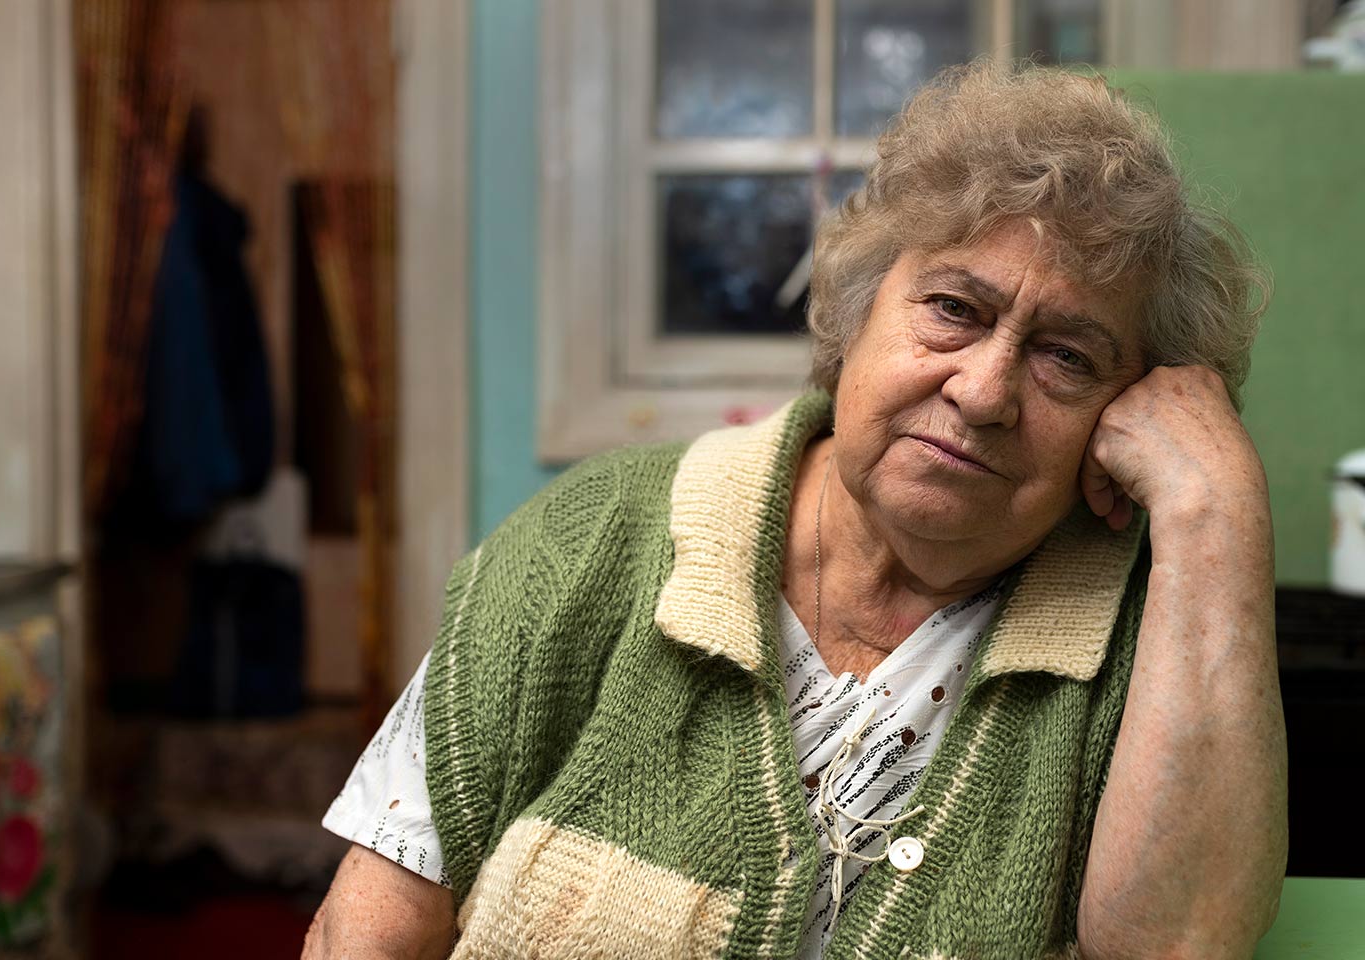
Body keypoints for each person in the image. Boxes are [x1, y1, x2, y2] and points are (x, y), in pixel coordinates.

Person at [303, 60, 1286, 959]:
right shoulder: (596, 539)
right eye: (954, 309)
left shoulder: (1145, 638)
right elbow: (375, 922)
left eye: (1066, 356)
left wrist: (1214, 510)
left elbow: (1175, 948)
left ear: (1126, 415)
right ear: (857, 315)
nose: (985, 391)